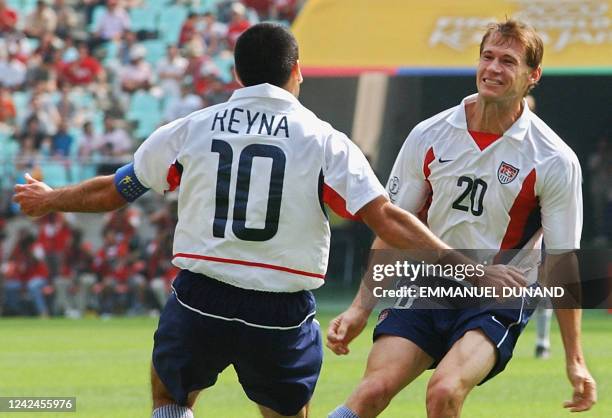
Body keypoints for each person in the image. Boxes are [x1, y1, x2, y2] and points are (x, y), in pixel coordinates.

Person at [13, 23, 521, 418]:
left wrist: (52, 197)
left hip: (200, 298)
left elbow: (116, 189)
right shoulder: (323, 140)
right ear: (296, 69)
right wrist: (472, 270)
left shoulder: (191, 128)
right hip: (280, 313)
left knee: (170, 394)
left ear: (238, 75)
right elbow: (386, 218)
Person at [327, 20, 597, 418]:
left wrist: (574, 358)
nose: (493, 68)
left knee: (444, 391)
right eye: (488, 57)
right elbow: (395, 226)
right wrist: (360, 307)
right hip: (429, 282)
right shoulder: (429, 134)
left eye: (509, 61)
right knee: (372, 391)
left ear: (532, 76)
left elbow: (561, 260)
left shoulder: (554, 158)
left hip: (500, 292)